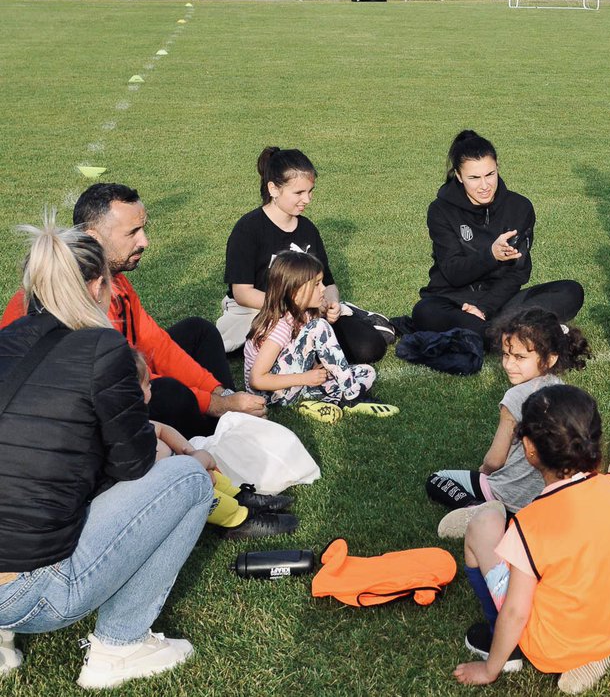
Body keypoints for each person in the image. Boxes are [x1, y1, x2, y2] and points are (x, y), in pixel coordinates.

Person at [0, 218, 211, 690]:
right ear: (98, 287)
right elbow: (133, 465)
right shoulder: (103, 347)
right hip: (32, 594)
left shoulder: (5, 341)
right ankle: (119, 646)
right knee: (189, 479)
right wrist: (183, 453)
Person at [0, 183, 266, 436]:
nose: (144, 241)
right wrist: (214, 404)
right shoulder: (70, 301)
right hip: (70, 412)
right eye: (132, 233)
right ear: (93, 238)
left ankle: (234, 414)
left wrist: (219, 393)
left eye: (143, 229)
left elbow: (155, 342)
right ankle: (217, 436)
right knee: (167, 392)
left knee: (198, 331)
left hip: (112, 379)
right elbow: (118, 377)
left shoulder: (114, 279)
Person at [453, 385, 610, 694]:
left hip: (551, 646)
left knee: (483, 524)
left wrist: (488, 670)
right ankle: (595, 655)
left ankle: (504, 648)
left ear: (529, 448)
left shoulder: (531, 524)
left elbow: (516, 612)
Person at [426, 307, 592, 537]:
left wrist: (484, 472)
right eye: (506, 355)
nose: (508, 364)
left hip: (508, 496)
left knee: (437, 479)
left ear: (550, 359)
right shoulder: (565, 392)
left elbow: (495, 461)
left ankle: (477, 509)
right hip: (549, 499)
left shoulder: (515, 397)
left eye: (520, 357)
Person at [217, 146, 392, 364]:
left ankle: (355, 316)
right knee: (265, 352)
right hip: (259, 310)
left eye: (310, 191)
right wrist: (290, 305)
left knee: (369, 348)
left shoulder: (307, 229)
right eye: (299, 193)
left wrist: (332, 303)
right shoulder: (248, 229)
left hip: (309, 310)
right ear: (273, 189)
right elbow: (242, 293)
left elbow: (328, 283)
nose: (307, 199)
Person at [412, 131, 584, 338]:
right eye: (474, 178)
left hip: (501, 302)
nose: (484, 186)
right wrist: (491, 255)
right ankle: (512, 332)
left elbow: (518, 273)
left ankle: (493, 331)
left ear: (497, 168)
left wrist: (484, 308)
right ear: (458, 176)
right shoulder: (441, 210)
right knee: (424, 311)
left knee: (570, 291)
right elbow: (453, 272)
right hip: (453, 301)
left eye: (490, 174)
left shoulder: (520, 207)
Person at [133, 350, 299, 539]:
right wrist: (196, 466)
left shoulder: (138, 420)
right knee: (205, 491)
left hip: (184, 469)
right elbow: (168, 480)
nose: (152, 387)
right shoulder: (128, 443)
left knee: (211, 476)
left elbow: (163, 430)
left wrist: (191, 453)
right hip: (175, 489)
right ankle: (238, 520)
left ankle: (237, 496)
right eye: (147, 384)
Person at [244, 250, 397, 425]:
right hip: (270, 394)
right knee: (320, 326)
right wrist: (305, 378)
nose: (324, 288)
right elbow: (257, 380)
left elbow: (296, 354)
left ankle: (321, 404)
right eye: (317, 284)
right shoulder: (280, 325)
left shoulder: (306, 314)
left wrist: (314, 367)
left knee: (367, 372)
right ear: (294, 292)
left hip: (295, 385)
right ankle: (353, 397)